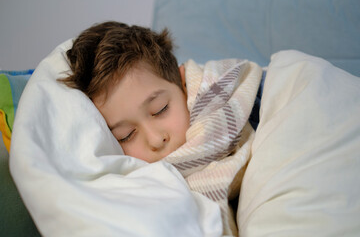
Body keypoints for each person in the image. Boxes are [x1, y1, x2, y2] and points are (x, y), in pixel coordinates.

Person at [59, 21, 263, 236]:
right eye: (126, 136)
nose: (156, 140)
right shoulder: (132, 190)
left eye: (160, 109)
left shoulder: (251, 104)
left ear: (183, 83)